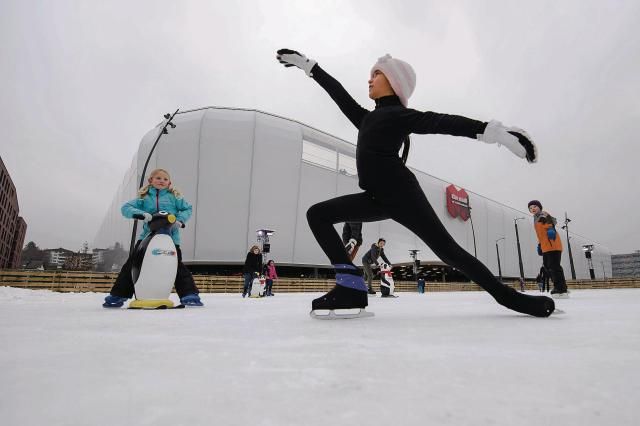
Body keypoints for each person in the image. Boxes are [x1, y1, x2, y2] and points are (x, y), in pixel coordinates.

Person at [276, 48, 554, 318]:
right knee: (318, 215)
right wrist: (310, 67)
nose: (369, 79)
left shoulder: (397, 115)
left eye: (376, 74)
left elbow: (440, 122)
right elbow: (339, 94)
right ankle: (350, 286)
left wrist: (494, 133)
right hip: (374, 198)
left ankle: (510, 298)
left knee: (449, 252)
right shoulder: (367, 118)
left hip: (402, 195)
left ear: (394, 83)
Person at [103, 168, 203, 307]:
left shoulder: (174, 197)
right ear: (150, 181)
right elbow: (126, 207)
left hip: (171, 239)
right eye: (158, 178)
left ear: (169, 183)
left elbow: (188, 208)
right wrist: (141, 214)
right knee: (132, 265)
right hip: (147, 238)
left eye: (165, 179)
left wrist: (179, 221)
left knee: (177, 266)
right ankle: (118, 295)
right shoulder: (144, 198)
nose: (162, 181)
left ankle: (189, 294)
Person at [528, 200, 569, 298]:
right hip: (546, 247)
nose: (532, 209)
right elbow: (541, 235)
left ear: (539, 207)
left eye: (534, 206)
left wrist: (551, 229)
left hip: (553, 245)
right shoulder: (535, 218)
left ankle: (561, 289)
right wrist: (540, 245)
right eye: (530, 208)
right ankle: (561, 286)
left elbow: (551, 222)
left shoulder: (543, 214)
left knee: (554, 267)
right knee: (548, 267)